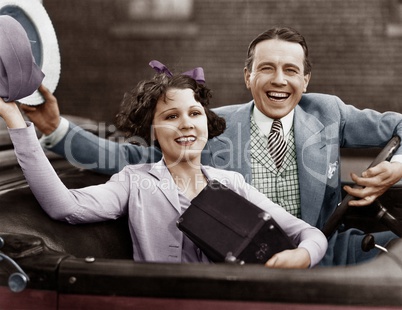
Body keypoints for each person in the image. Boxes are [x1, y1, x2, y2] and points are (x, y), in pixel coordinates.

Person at [21, 27, 402, 266]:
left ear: (306, 79)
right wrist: (56, 129)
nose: (279, 80)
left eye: (290, 70)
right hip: (243, 263)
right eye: (266, 68)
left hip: (326, 249)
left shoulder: (330, 111)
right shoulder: (207, 123)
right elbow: (128, 156)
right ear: (248, 76)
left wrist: (398, 167)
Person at [0, 61, 327, 267]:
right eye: (171, 116)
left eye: (194, 113)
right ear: (152, 131)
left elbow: (309, 233)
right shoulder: (135, 181)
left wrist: (303, 254)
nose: (186, 124)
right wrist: (17, 124)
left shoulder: (231, 183)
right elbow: (64, 206)